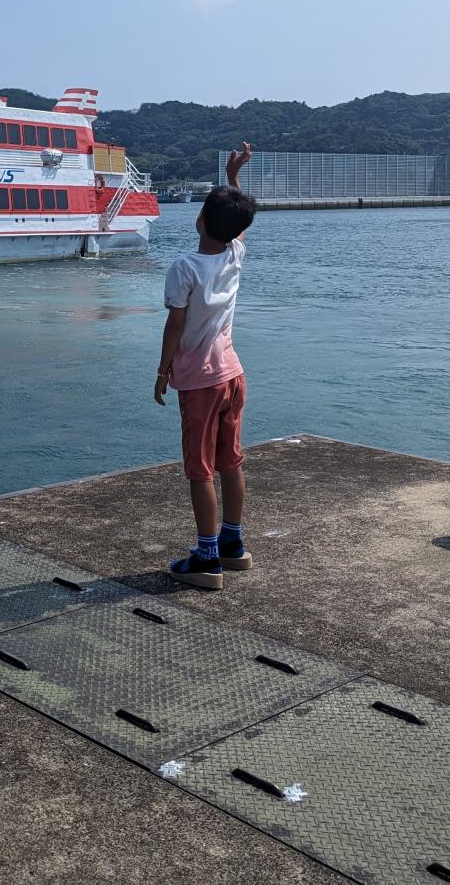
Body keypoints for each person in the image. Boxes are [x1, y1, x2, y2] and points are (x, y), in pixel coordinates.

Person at [154, 143, 257, 590]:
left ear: (198, 221)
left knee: (199, 470)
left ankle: (207, 558)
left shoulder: (184, 267)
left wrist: (162, 371)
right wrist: (234, 180)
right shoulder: (234, 257)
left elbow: (175, 323)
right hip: (233, 374)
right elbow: (238, 228)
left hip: (199, 381)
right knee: (230, 460)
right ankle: (233, 545)